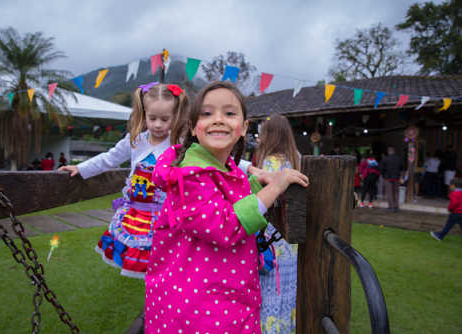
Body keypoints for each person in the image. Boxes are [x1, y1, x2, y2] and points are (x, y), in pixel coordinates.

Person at [144, 81, 309, 333]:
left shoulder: (226, 168)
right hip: (198, 305)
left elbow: (230, 200)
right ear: (192, 127)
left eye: (229, 113)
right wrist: (274, 187)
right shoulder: (190, 174)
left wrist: (255, 184)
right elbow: (224, 224)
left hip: (220, 293)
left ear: (243, 128)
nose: (218, 119)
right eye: (207, 113)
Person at [59, 82, 189, 278]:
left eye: (165, 119)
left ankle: (162, 299)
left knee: (164, 265)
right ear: (144, 115)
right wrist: (80, 168)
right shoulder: (135, 141)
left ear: (175, 117)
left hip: (164, 217)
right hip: (136, 215)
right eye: (152, 118)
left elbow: (208, 159)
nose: (158, 125)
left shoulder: (178, 145)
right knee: (140, 261)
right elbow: (108, 159)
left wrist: (246, 167)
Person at [253, 114, 300, 334]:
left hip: (272, 235)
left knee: (272, 285)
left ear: (270, 134)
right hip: (291, 236)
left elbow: (264, 201)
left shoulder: (269, 163)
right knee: (288, 289)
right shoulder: (297, 159)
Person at [380, 147, 404, 212]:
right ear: (394, 151)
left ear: (388, 151)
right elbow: (402, 168)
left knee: (389, 193)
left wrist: (384, 176)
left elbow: (381, 169)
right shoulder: (399, 158)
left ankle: (391, 207)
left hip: (388, 178)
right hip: (396, 177)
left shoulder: (385, 159)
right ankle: (396, 206)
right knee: (396, 192)